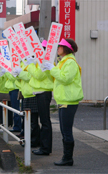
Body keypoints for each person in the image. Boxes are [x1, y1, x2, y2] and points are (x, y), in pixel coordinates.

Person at [42, 38, 84, 166]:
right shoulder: (64, 61)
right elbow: (59, 76)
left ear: (66, 48)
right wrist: (51, 68)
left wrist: (52, 68)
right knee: (64, 130)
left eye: (60, 46)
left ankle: (68, 158)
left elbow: (65, 78)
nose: (58, 48)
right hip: (64, 100)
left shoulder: (70, 62)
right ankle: (66, 157)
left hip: (68, 101)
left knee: (66, 131)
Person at [25, 56, 54, 156]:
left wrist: (30, 64)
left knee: (45, 121)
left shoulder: (45, 61)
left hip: (44, 92)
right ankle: (44, 147)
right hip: (41, 92)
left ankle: (45, 148)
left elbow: (38, 75)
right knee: (44, 120)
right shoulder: (42, 61)